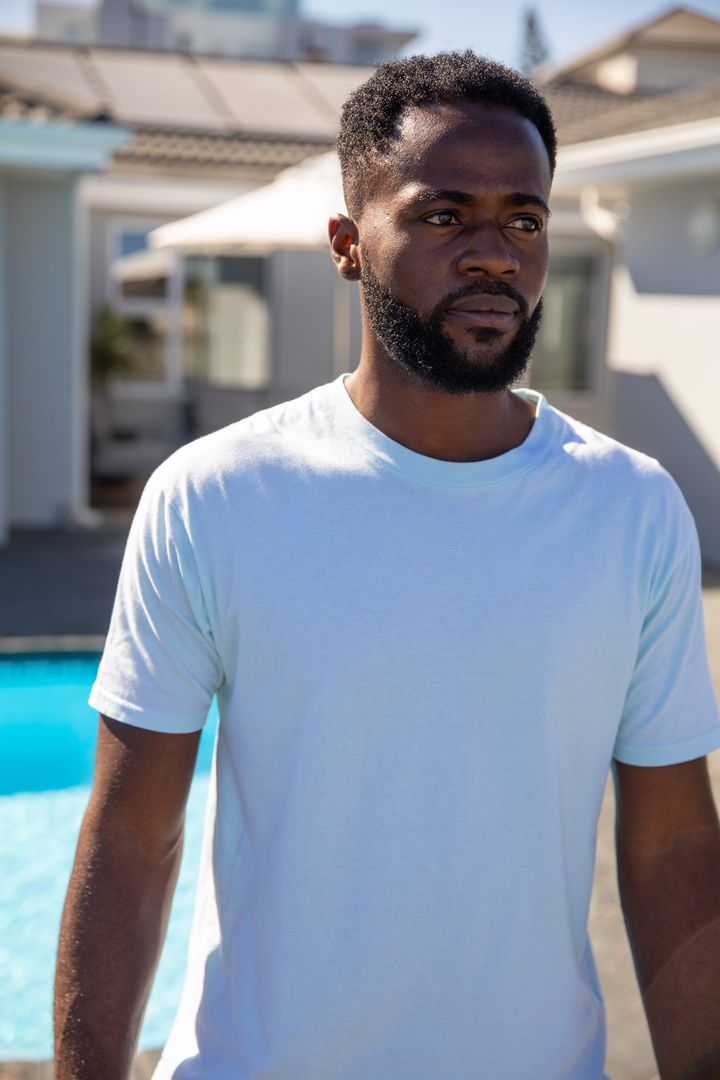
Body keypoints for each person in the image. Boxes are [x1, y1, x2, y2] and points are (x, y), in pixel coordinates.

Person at [55, 52, 720, 1080]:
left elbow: (673, 848)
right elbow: (134, 838)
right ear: (346, 245)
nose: (496, 255)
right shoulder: (217, 497)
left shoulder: (631, 512)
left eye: (526, 220)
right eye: (445, 216)